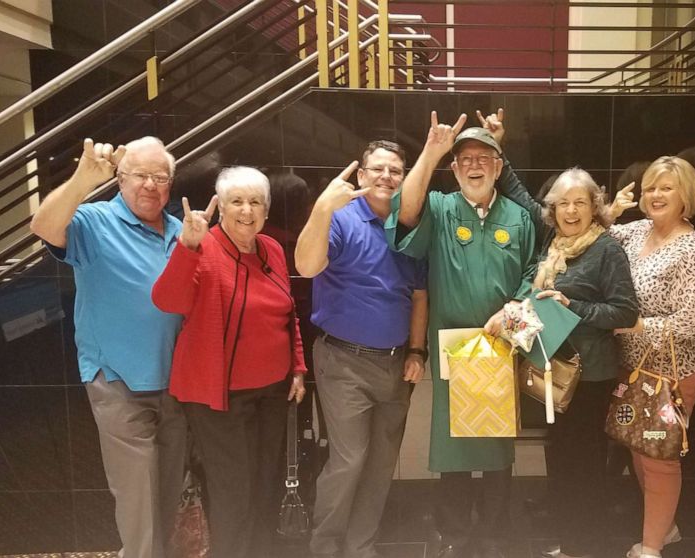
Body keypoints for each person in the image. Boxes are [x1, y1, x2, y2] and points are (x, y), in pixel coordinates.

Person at [386, 112, 537, 558]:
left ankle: (493, 535)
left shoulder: (519, 218)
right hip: (455, 348)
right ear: (455, 169)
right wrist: (431, 152)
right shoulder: (440, 207)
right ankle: (453, 535)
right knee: (455, 444)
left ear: (498, 164)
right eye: (465, 158)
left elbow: (534, 273)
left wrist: (514, 311)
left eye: (484, 157)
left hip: (501, 347)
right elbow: (405, 211)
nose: (475, 165)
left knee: (496, 447)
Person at [30, 137, 187, 558]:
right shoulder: (94, 221)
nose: (150, 185)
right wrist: (83, 180)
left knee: (166, 497)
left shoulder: (179, 231)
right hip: (118, 380)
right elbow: (43, 227)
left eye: (160, 177)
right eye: (140, 175)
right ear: (120, 178)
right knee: (139, 503)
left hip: (176, 386)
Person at [151, 166, 307, 558]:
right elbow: (167, 301)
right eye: (236, 201)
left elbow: (288, 314)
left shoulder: (270, 247)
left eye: (256, 202)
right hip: (219, 397)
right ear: (220, 207)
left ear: (267, 211)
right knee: (233, 492)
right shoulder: (203, 245)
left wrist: (298, 367)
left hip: (272, 392)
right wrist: (186, 248)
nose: (247, 210)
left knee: (263, 484)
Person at [491, 155, 639, 557]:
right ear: (552, 210)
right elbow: (522, 197)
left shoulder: (606, 250)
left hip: (588, 375)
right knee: (561, 459)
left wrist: (573, 306)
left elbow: (625, 312)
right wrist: (499, 160)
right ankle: (570, 542)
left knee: (585, 465)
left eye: (580, 202)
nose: (570, 210)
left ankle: (586, 546)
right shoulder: (554, 244)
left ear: (595, 207)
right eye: (562, 203)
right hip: (552, 370)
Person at [295, 140, 428, 558]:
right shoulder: (338, 217)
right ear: (360, 175)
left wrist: (417, 351)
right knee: (349, 460)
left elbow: (420, 295)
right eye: (377, 169)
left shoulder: (410, 225)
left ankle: (360, 546)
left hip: (395, 364)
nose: (386, 177)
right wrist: (320, 208)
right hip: (343, 361)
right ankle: (325, 547)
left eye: (395, 171)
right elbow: (306, 267)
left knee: (380, 463)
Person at [608, 156, 695, 558]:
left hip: (673, 372)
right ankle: (664, 529)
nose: (656, 195)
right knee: (639, 449)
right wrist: (614, 208)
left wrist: (637, 326)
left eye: (666, 187)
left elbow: (694, 321)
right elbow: (597, 232)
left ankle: (651, 547)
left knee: (660, 459)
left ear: (686, 195)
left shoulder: (690, 248)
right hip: (634, 368)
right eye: (651, 187)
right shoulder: (638, 232)